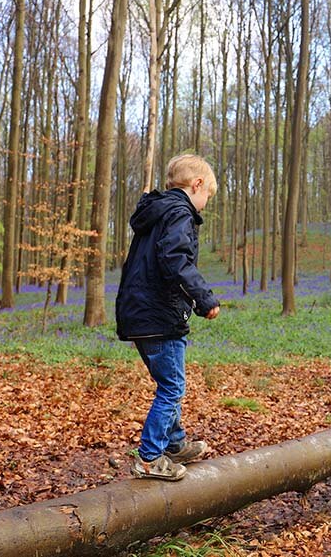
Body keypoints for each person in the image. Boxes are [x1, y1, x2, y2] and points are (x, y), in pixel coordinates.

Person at [115, 154, 221, 481]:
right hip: (159, 316)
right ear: (197, 184)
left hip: (140, 314)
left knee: (169, 383)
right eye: (207, 197)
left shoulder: (156, 213)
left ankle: (174, 443)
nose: (205, 205)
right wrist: (204, 299)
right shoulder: (179, 213)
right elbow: (175, 259)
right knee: (172, 388)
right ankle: (149, 457)